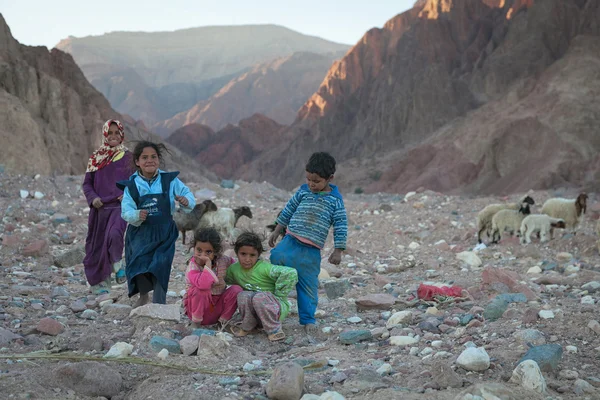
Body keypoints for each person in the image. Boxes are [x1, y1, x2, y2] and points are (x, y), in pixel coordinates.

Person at [268, 152, 348, 334]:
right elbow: (288, 210)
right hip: (291, 240)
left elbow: (341, 224)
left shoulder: (335, 201)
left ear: (330, 178)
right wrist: (277, 230)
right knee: (276, 257)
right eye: (309, 179)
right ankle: (272, 306)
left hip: (311, 251)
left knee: (308, 285)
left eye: (317, 181)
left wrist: (338, 250)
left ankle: (307, 319)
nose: (312, 184)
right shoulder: (303, 191)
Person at [117, 141, 195, 307]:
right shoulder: (132, 186)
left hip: (164, 232)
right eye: (144, 157)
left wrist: (185, 201)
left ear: (159, 159)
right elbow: (126, 210)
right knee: (140, 264)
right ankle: (143, 296)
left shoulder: (169, 180)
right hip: (140, 232)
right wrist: (137, 215)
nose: (149, 160)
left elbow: (187, 194)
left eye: (153, 157)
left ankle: (159, 301)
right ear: (137, 162)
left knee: (161, 263)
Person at [82, 119, 132, 295]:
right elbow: (87, 184)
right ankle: (103, 286)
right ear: (104, 134)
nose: (113, 136)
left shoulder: (129, 158)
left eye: (116, 133)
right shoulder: (96, 158)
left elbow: (136, 182)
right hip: (99, 209)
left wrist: (127, 193)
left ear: (121, 135)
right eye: (109, 133)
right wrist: (93, 198)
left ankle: (118, 264)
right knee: (97, 246)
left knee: (114, 234)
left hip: (119, 206)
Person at [225, 231, 298, 342]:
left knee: (259, 297)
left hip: (273, 310)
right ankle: (248, 325)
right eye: (243, 254)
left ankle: (274, 329)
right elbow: (225, 281)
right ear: (236, 253)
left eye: (252, 255)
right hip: (255, 312)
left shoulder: (264, 268)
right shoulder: (233, 270)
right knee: (243, 295)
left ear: (258, 255)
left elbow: (291, 273)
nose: (247, 259)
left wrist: (280, 296)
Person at [183, 227, 243, 329]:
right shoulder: (193, 267)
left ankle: (222, 322)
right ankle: (195, 324)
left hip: (215, 309)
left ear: (215, 252)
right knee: (201, 290)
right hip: (197, 311)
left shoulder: (222, 260)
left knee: (237, 289)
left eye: (208, 252)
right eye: (199, 250)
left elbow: (237, 265)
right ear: (194, 248)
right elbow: (203, 285)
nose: (203, 255)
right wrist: (207, 264)